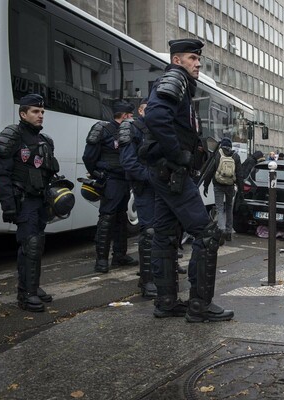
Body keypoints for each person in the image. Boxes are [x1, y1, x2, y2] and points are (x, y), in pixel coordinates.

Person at [142, 38, 233, 322]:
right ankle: (199, 306)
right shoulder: (175, 78)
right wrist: (177, 155)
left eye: (198, 60)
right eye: (192, 59)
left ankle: (166, 302)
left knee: (166, 236)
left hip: (167, 172)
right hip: (172, 172)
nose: (198, 64)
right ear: (177, 59)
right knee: (207, 234)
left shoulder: (181, 84)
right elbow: (156, 117)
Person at [0, 94, 62, 312]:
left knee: (37, 245)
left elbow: (48, 172)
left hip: (39, 200)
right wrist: (8, 204)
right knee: (30, 245)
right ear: (23, 114)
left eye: (42, 112)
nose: (40, 115)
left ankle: (33, 286)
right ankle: (26, 294)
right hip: (23, 200)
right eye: (35, 111)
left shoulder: (45, 140)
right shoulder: (12, 135)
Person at [83, 100, 138, 274]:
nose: (132, 118)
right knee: (107, 218)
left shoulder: (128, 132)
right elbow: (88, 157)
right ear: (124, 116)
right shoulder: (105, 130)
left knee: (122, 219)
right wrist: (97, 173)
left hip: (124, 181)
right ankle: (101, 260)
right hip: (111, 181)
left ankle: (120, 255)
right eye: (130, 115)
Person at [116, 98, 157, 298]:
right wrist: (150, 176)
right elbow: (129, 162)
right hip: (145, 188)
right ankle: (147, 280)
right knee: (148, 232)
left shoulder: (160, 129)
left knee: (164, 232)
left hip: (162, 187)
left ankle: (159, 275)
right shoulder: (132, 129)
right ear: (141, 111)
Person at [202, 137, 244, 243]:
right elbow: (239, 174)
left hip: (218, 185)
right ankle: (229, 232)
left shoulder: (217, 154)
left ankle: (221, 231)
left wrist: (206, 185)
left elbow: (210, 171)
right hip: (230, 186)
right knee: (229, 208)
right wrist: (241, 190)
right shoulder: (235, 156)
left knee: (220, 208)